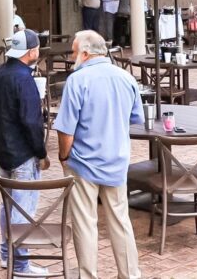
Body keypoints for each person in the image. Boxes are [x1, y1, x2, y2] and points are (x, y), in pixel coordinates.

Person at [54, 30, 142, 279]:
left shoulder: (77, 80)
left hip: (83, 163)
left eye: (73, 51)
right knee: (120, 221)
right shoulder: (126, 78)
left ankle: (88, 275)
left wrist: (63, 157)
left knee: (85, 223)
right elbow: (135, 119)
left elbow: (66, 131)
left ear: (85, 52)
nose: (72, 57)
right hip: (116, 160)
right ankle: (130, 274)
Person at [0, 29, 49, 276]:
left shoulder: (0, 73)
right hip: (22, 152)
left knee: (9, 206)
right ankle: (21, 264)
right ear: (31, 52)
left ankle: (6, 254)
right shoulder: (24, 79)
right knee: (23, 209)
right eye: (36, 49)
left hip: (2, 148)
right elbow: (31, 121)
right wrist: (41, 152)